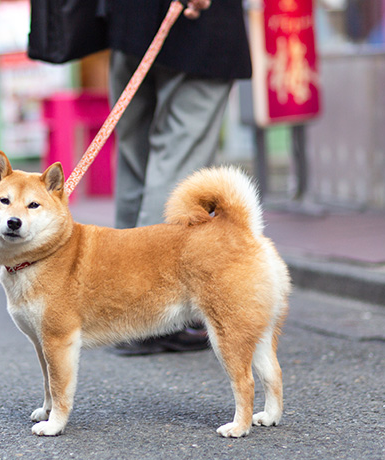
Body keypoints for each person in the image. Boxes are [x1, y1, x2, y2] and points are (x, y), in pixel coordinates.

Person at [106, 0, 253, 354]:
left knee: (135, 157)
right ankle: (148, 314)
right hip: (193, 22)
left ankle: (118, 306)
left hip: (126, 21)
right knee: (180, 159)